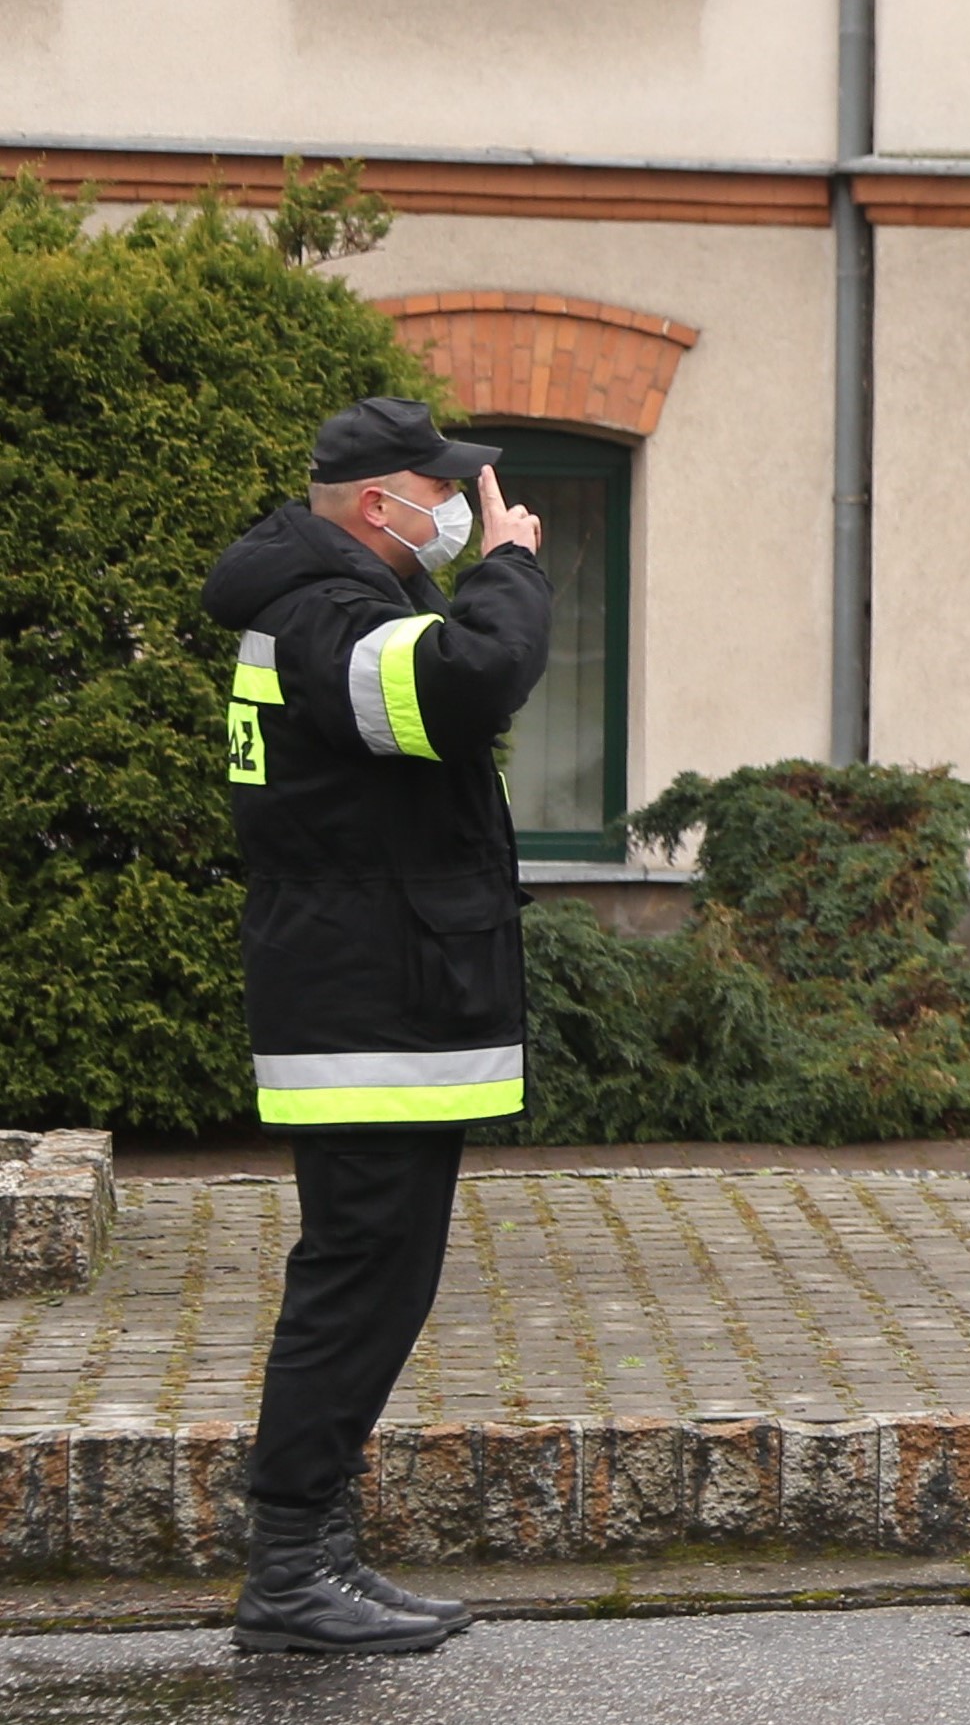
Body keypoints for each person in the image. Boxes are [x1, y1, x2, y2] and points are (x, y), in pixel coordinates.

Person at [198, 398, 549, 1656]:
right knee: (355, 1286)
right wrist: (509, 565)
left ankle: (318, 1557)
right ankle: (291, 1568)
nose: (462, 506)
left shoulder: (329, 600)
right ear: (371, 503)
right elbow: (471, 681)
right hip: (365, 1004)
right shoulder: (326, 614)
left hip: (379, 997)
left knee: (375, 1283)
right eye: (440, 489)